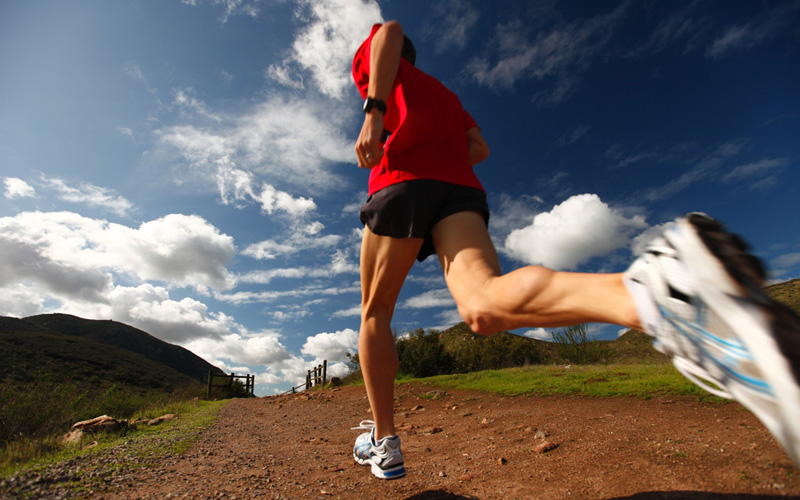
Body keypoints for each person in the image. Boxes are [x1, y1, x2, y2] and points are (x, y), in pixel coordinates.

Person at [350, 20, 800, 480]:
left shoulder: (380, 61)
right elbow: (478, 148)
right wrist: (441, 151)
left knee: (375, 311)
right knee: (483, 304)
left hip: (402, 175)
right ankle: (658, 292)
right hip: (459, 191)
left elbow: (388, 31)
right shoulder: (446, 95)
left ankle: (383, 442)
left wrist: (375, 111)